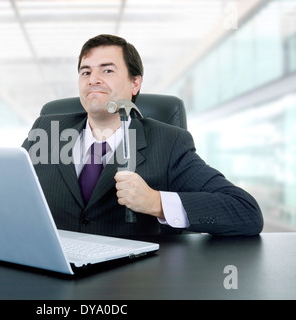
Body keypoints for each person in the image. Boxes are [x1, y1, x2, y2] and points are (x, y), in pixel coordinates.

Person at [21, 34, 263, 241]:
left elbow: (246, 212)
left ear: (135, 83)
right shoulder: (47, 129)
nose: (93, 79)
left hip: (131, 280)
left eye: (107, 70)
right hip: (53, 272)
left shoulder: (169, 143)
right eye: (86, 71)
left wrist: (156, 202)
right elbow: (11, 195)